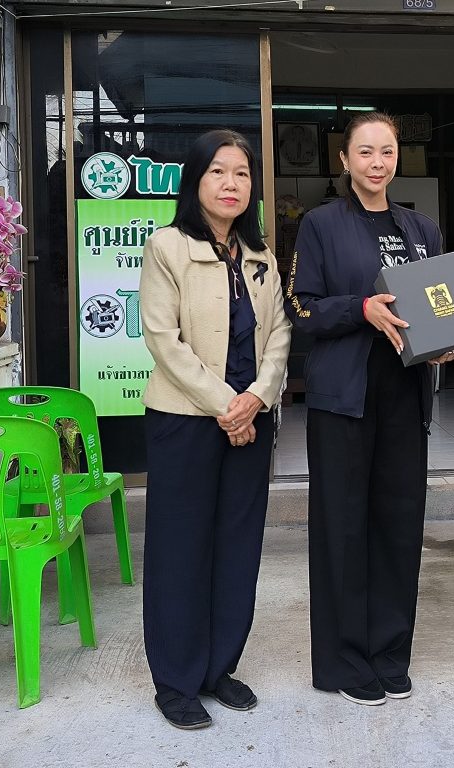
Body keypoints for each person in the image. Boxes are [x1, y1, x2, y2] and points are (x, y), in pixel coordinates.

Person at [284, 112, 454, 707]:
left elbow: (438, 305)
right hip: (344, 399)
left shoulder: (421, 228)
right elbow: (301, 308)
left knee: (399, 524)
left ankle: (389, 654)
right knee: (342, 526)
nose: (377, 162)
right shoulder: (321, 225)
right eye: (365, 152)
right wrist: (361, 309)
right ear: (345, 160)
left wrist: (450, 339)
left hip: (405, 396)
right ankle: (344, 661)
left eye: (386, 151)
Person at [139, 129, 291, 730]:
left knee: (237, 546)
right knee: (180, 550)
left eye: (242, 174)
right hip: (187, 422)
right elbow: (163, 339)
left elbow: (280, 333)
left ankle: (218, 667)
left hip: (251, 419)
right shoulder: (167, 247)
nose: (232, 184)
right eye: (219, 172)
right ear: (196, 181)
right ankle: (176, 680)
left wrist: (257, 398)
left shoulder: (260, 255)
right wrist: (229, 406)